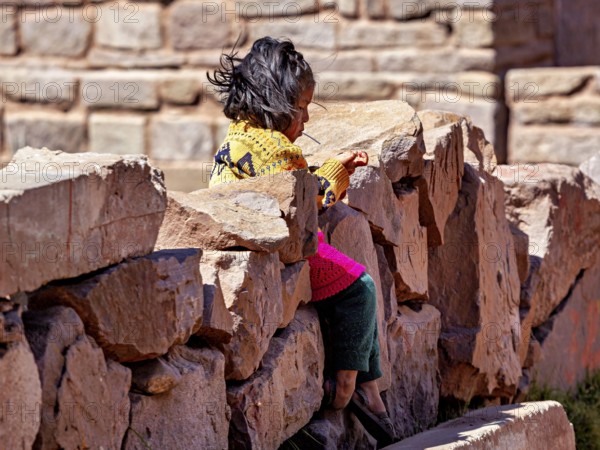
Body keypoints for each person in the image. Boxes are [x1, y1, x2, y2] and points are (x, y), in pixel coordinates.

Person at [207, 36, 396, 447]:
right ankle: (356, 385)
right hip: (282, 254)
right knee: (360, 289)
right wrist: (337, 170)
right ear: (277, 105)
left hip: (254, 249)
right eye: (304, 109)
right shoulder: (275, 148)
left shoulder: (238, 138)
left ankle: (368, 384)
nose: (307, 120)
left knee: (354, 290)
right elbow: (308, 202)